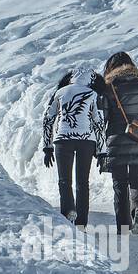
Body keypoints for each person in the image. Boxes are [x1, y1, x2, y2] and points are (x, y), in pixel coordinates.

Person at [99, 51, 138, 234]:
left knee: (119, 184)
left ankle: (123, 226)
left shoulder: (109, 88)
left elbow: (102, 118)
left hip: (115, 140)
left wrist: (98, 146)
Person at [40, 67, 107, 227]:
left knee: (64, 181)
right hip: (87, 141)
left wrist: (47, 147)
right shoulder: (93, 94)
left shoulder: (60, 93)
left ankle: (68, 213)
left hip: (63, 139)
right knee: (82, 182)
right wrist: (102, 151)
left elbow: (48, 119)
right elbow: (99, 123)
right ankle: (82, 222)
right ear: (90, 79)